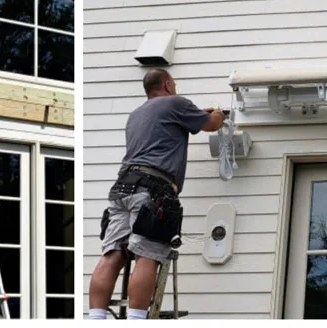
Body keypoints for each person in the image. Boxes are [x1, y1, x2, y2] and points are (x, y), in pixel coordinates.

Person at [88, 68, 225, 320]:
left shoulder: (136, 114)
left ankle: (95, 318)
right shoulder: (176, 103)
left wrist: (195, 114)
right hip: (152, 189)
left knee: (112, 253)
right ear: (167, 84)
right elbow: (212, 124)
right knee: (147, 254)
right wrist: (217, 114)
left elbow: (174, 123)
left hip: (122, 187)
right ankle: (136, 320)